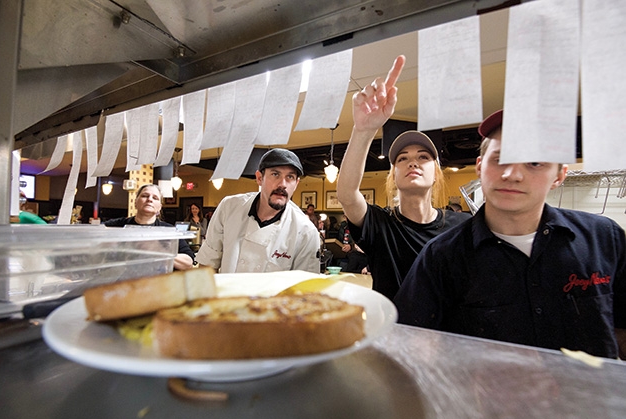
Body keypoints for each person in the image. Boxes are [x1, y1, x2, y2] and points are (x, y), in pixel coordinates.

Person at [395, 110, 626, 359]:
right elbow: (411, 345)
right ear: (480, 167)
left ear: (559, 175)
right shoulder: (441, 256)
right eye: (500, 159)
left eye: (534, 163)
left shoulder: (604, 238)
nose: (512, 175)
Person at [336, 55, 470, 299]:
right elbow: (346, 194)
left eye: (423, 157)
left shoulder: (461, 227)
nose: (412, 162)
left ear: (436, 173)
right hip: (392, 333)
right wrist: (363, 130)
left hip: (445, 334)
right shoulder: (381, 225)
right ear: (393, 175)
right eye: (402, 158)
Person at [195, 148, 321, 273]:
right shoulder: (229, 208)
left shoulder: (306, 231)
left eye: (290, 177)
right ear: (259, 178)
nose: (283, 184)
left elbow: (305, 286)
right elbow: (207, 265)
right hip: (227, 293)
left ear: (296, 184)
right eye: (275, 174)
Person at [105, 184, 195, 271]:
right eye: (145, 196)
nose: (149, 199)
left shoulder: (169, 231)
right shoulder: (117, 226)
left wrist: (158, 251)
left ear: (159, 207)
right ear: (135, 202)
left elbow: (188, 263)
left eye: (155, 198)